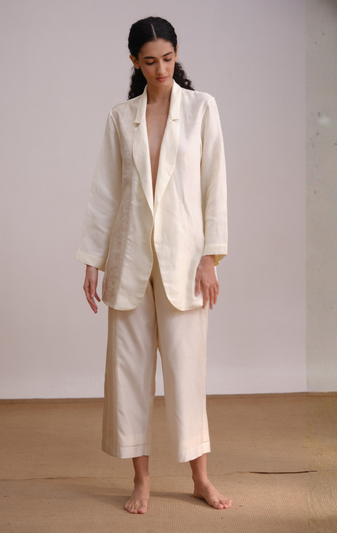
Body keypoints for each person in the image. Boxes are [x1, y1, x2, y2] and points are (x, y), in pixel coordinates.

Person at [75, 16, 231, 514]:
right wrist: (93, 260)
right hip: (129, 260)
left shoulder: (202, 108)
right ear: (134, 62)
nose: (161, 69)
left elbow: (215, 186)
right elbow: (105, 193)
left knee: (188, 373)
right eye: (150, 61)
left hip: (185, 262)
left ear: (176, 54)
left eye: (167, 58)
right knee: (129, 374)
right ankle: (140, 481)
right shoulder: (121, 117)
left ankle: (200, 479)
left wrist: (210, 256)